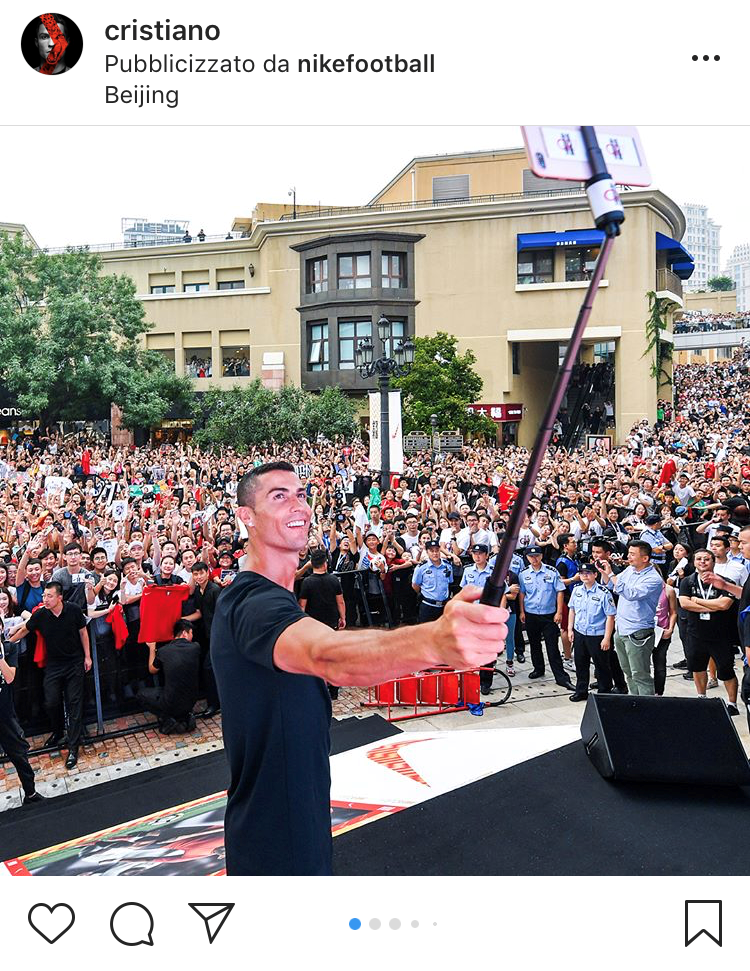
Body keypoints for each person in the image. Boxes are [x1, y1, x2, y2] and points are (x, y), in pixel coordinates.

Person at [211, 462, 507, 876]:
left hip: (291, 819)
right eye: (278, 496)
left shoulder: (267, 598)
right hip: (276, 837)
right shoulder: (251, 604)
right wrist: (432, 641)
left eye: (301, 493)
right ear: (246, 517)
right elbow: (327, 655)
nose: (299, 505)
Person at [7, 580, 91, 769]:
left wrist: (87, 657)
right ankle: (58, 730)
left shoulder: (73, 610)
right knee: (51, 700)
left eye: (49, 596)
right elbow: (23, 630)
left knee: (74, 703)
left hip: (74, 662)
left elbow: (83, 633)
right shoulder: (41, 614)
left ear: (59, 598)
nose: (45, 599)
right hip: (54, 665)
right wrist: (6, 646)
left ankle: (73, 747)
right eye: (44, 596)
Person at [598, 540, 663, 696]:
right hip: (621, 629)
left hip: (638, 632)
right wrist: (604, 571)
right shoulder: (629, 570)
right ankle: (634, 702)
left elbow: (631, 593)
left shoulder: (653, 579)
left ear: (645, 558)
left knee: (641, 675)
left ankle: (647, 710)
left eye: (633, 554)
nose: (629, 557)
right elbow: (612, 585)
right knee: (628, 672)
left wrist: (612, 574)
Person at [678, 549, 739, 714]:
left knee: (726, 669)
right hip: (695, 633)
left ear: (713, 562)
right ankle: (701, 697)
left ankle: (732, 703)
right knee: (697, 667)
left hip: (720, 634)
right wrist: (713, 605)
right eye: (699, 559)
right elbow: (684, 604)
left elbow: (724, 605)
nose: (702, 562)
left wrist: (697, 600)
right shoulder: (687, 582)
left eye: (706, 559)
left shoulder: (725, 581)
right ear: (694, 562)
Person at [518, 546, 573, 690]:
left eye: (537, 556)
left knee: (552, 647)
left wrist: (559, 612)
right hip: (531, 614)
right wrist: (522, 612)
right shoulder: (523, 574)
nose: (534, 559)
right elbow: (522, 594)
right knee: (535, 644)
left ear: (541, 556)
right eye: (531, 557)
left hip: (549, 615)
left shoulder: (552, 571)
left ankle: (561, 677)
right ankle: (538, 669)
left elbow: (560, 591)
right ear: (527, 558)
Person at [0, 632, 44, 805]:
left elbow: (10, 677)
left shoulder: (10, 648)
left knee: (18, 751)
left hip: (5, 712)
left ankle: (30, 793)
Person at [138, 619, 201, 733]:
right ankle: (183, 717)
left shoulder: (164, 651)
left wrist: (152, 648)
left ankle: (168, 718)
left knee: (141, 694)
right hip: (192, 700)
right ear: (184, 633)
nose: (192, 636)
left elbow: (152, 669)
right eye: (191, 633)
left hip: (170, 701)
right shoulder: (196, 648)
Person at [567, 562, 617, 701]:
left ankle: (604, 692)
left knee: (602, 665)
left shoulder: (603, 592)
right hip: (580, 633)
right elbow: (572, 609)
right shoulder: (577, 590)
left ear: (595, 574)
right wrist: (570, 629)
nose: (585, 576)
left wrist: (607, 638)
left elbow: (610, 616)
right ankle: (581, 691)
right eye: (582, 573)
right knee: (580, 663)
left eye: (588, 573)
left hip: (597, 634)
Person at [412, 540, 454, 622]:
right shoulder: (421, 568)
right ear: (427, 552)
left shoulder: (448, 566)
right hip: (427, 606)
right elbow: (415, 585)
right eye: (431, 551)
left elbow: (449, 582)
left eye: (437, 550)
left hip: (444, 606)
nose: (435, 553)